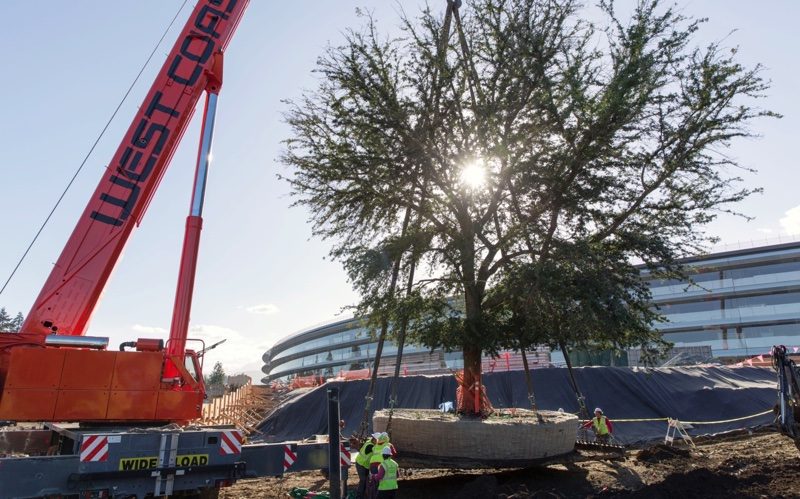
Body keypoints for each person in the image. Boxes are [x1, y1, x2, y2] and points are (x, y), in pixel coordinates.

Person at [355, 433, 380, 499]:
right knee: (363, 480)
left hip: (364, 465)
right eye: (378, 440)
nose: (378, 441)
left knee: (365, 480)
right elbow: (377, 451)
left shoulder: (369, 441)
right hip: (361, 464)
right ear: (375, 439)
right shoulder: (370, 446)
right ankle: (359, 496)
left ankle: (363, 494)